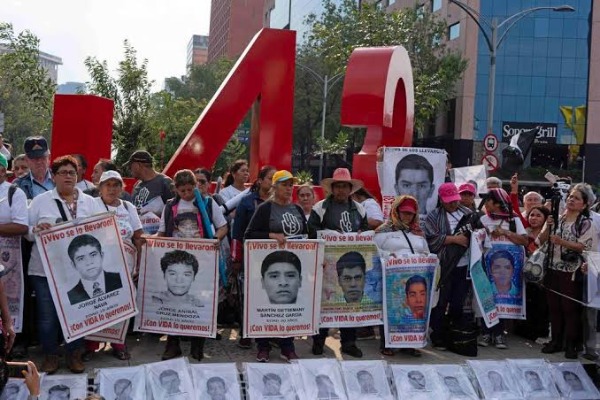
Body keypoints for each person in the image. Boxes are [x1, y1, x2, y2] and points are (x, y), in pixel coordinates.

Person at [27, 155, 98, 374]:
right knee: (47, 316)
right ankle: (50, 355)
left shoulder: (90, 202)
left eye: (72, 173)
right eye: (63, 172)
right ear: (54, 176)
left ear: (78, 176)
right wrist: (35, 230)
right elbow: (26, 232)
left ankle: (74, 354)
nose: (68, 176)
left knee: (78, 312)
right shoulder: (40, 201)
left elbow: (100, 231)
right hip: (44, 271)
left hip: (78, 272)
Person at [245, 170, 307, 362]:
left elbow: (308, 236)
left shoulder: (297, 209)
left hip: (292, 267)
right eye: (284, 184)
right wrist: (271, 236)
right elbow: (249, 234)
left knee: (289, 306)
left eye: (291, 185)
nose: (289, 188)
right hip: (269, 267)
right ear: (274, 187)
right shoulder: (265, 208)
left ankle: (287, 346)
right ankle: (263, 346)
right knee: (266, 305)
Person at [308, 168, 368, 359]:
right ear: (332, 188)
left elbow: (365, 229)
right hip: (326, 264)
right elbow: (311, 232)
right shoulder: (320, 208)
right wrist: (329, 235)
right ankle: (318, 341)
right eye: (338, 186)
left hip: (350, 264)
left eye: (344, 186)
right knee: (324, 302)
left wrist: (361, 235)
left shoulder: (359, 209)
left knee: (349, 304)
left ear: (350, 189)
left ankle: (349, 343)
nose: (341, 190)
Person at [84, 170, 141, 361]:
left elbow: (138, 237)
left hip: (125, 265)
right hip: (98, 265)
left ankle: (119, 344)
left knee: (121, 304)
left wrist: (139, 264)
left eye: (116, 185)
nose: (112, 189)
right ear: (100, 188)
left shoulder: (128, 207)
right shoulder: (92, 204)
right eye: (107, 185)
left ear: (121, 188)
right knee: (97, 303)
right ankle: (91, 345)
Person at [538, 183, 595, 359]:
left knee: (570, 309)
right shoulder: (558, 218)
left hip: (572, 271)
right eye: (570, 196)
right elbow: (541, 240)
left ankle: (572, 344)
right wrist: (548, 225)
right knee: (554, 307)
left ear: (584, 204)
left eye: (576, 198)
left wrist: (562, 242)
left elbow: (585, 247)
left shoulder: (585, 223)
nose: (571, 200)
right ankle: (556, 341)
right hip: (552, 267)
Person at [375, 197, 430, 357]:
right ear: (396, 211)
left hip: (415, 279)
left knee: (410, 311)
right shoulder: (383, 232)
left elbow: (426, 252)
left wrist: (425, 257)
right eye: (404, 212)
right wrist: (387, 255)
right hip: (392, 278)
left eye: (410, 214)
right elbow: (373, 250)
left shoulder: (418, 233)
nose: (407, 216)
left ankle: (409, 345)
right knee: (391, 310)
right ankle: (387, 344)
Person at [425, 183, 474, 350]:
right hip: (444, 266)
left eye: (455, 200)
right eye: (449, 201)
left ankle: (454, 335)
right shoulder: (433, 216)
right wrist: (454, 239)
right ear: (441, 199)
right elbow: (431, 239)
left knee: (458, 302)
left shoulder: (467, 213)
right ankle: (437, 335)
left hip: (464, 265)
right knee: (440, 302)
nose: (453, 204)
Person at [230, 165, 275, 348]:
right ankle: (246, 333)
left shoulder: (280, 203)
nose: (272, 182)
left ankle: (269, 332)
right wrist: (236, 258)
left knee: (269, 295)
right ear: (260, 181)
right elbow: (237, 231)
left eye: (276, 179)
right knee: (248, 295)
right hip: (251, 257)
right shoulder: (247, 202)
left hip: (274, 258)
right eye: (270, 178)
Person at [478, 188, 528, 349]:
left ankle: (499, 334)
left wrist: (505, 232)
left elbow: (524, 241)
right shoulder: (483, 219)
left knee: (502, 300)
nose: (485, 204)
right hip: (487, 266)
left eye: (488, 201)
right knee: (488, 297)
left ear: (498, 203)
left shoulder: (514, 220)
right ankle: (486, 332)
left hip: (506, 268)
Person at [0, 152, 26, 353]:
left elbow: (21, 226)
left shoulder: (14, 192)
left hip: (8, 259)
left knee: (8, 300)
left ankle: (9, 344)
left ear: (3, 171)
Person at [66, 234, 123, 305]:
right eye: (81, 259)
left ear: (102, 256)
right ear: (73, 265)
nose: (89, 262)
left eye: (93, 255)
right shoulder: (70, 296)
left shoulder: (121, 279)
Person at [126, 150, 174, 233]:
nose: (130, 169)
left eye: (131, 165)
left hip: (159, 236)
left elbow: (174, 210)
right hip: (140, 236)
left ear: (138, 165)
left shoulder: (165, 182)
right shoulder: (136, 185)